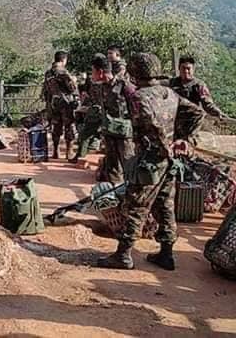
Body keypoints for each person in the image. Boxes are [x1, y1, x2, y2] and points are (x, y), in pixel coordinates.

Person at [97, 53, 203, 271]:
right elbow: (198, 113)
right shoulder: (169, 93)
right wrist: (185, 140)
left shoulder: (139, 97)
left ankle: (123, 254)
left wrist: (163, 146)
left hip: (150, 160)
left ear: (136, 72)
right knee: (165, 205)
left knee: (136, 205)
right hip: (169, 161)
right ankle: (166, 254)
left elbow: (150, 123)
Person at [86, 54, 135, 184]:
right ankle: (115, 190)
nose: (92, 75)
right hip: (109, 133)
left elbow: (137, 105)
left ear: (101, 72)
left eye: (93, 71)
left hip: (124, 135)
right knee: (112, 167)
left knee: (129, 164)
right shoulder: (100, 87)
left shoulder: (124, 85)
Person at [169, 55, 226, 146]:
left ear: (193, 69)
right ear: (179, 68)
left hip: (190, 124)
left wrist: (217, 112)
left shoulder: (199, 85)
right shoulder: (171, 83)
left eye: (188, 68)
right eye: (183, 68)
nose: (186, 71)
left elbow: (207, 103)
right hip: (173, 122)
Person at [42, 51, 78, 162]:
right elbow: (71, 88)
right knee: (69, 126)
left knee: (56, 126)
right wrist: (74, 80)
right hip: (65, 103)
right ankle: (69, 152)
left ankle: (55, 151)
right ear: (63, 60)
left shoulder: (48, 73)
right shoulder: (63, 72)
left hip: (53, 103)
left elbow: (45, 89)